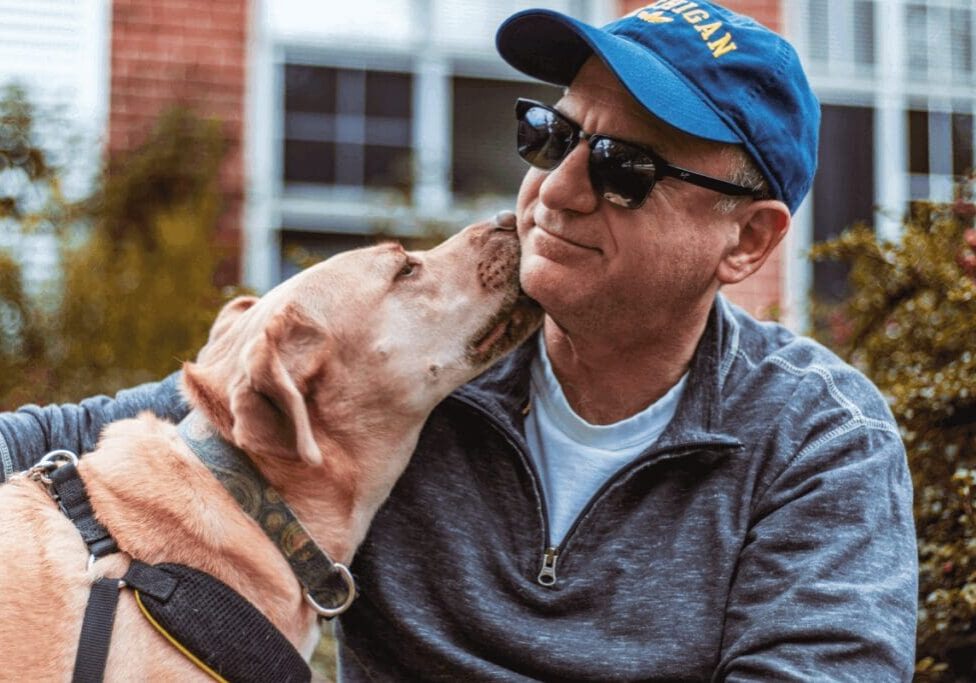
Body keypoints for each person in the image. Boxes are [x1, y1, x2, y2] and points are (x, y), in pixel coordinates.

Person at [1, 2, 918, 680]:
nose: (553, 191)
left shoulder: (817, 440)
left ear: (748, 239)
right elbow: (64, 444)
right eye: (552, 133)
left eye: (622, 167)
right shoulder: (409, 367)